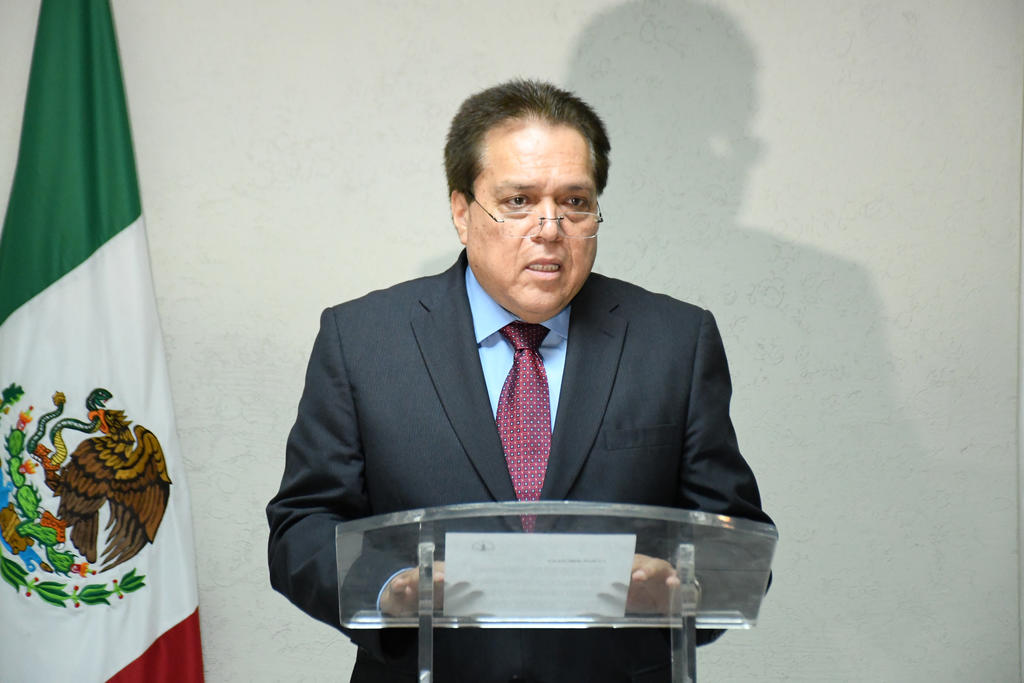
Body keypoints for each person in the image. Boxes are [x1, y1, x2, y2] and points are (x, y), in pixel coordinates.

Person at [267, 79, 772, 683]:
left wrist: (684, 585)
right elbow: (303, 526)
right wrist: (389, 588)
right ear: (462, 212)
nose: (550, 227)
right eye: (518, 201)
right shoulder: (363, 340)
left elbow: (736, 540)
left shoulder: (674, 341)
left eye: (575, 201)